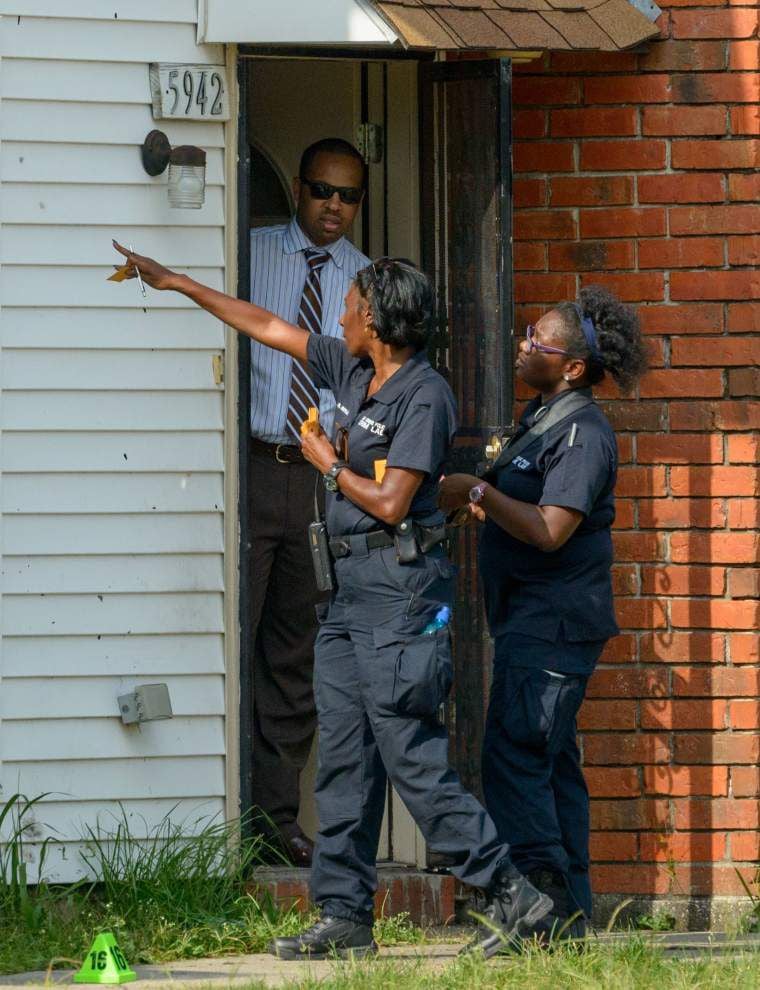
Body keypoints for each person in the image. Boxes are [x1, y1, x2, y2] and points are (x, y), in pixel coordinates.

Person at [111, 243, 555, 961]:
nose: (339, 311)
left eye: (350, 302)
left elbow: (390, 500)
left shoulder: (424, 395)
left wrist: (327, 463)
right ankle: (344, 916)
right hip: (346, 595)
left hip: (400, 596)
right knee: (344, 760)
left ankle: (514, 897)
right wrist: (177, 282)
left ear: (376, 317)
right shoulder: (349, 366)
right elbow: (265, 327)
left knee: (409, 755)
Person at [439, 286, 647, 944]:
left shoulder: (584, 433)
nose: (523, 345)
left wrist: (478, 493)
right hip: (529, 620)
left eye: (538, 341)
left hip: (555, 623)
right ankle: (573, 912)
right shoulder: (538, 418)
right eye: (526, 332)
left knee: (514, 756)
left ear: (574, 367)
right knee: (549, 760)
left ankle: (537, 905)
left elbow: (553, 528)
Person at [246, 138, 369, 866]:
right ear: (297, 187)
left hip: (319, 481)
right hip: (251, 464)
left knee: (295, 654)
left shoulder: (367, 281)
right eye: (322, 190)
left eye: (349, 196)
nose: (334, 207)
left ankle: (274, 819)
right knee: (235, 634)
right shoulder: (251, 250)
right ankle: (212, 811)